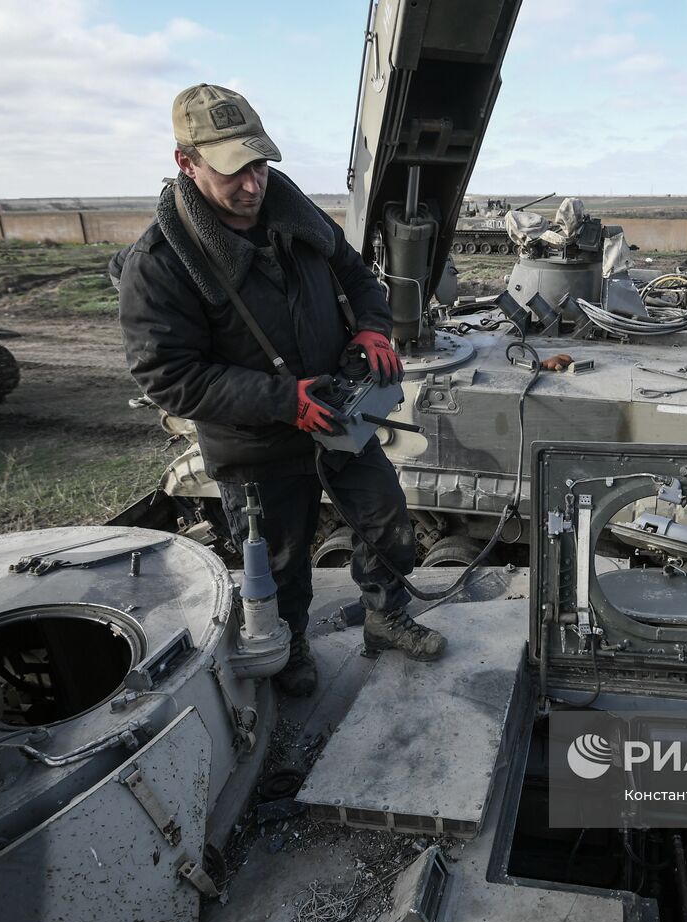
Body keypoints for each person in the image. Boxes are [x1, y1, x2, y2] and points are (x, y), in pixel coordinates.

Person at [114, 84, 446, 697]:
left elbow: (354, 273)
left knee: (388, 522)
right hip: (256, 444)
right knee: (283, 563)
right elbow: (167, 375)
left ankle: (385, 617)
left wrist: (374, 328)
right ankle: (288, 648)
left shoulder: (298, 216)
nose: (252, 185)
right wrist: (281, 400)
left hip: (337, 416)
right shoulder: (160, 262)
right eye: (234, 170)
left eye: (261, 165)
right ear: (187, 163)